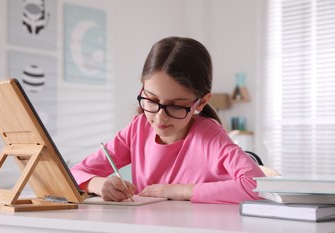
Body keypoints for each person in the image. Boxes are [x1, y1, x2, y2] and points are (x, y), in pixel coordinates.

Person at [70, 36, 265, 204]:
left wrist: (181, 190)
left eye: (176, 106)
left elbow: (258, 186)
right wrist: (98, 184)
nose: (160, 117)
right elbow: (75, 172)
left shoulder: (209, 137)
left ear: (201, 102)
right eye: (152, 100)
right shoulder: (138, 129)